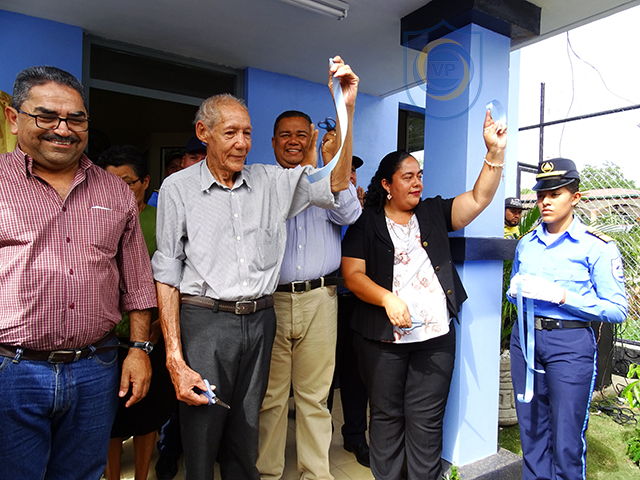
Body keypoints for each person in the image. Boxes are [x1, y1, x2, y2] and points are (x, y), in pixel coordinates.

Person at [152, 56, 358, 480]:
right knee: (203, 431)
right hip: (205, 322)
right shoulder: (177, 188)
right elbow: (167, 272)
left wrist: (346, 109)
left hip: (262, 318)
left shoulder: (270, 181)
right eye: (230, 133)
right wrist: (173, 355)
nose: (241, 143)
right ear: (203, 133)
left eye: (246, 133)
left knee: (246, 435)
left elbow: (336, 182)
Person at [0, 66, 155, 480]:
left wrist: (140, 350)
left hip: (95, 368)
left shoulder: (115, 190)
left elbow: (138, 281)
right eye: (47, 116)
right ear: (14, 119)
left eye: (76, 119)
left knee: (83, 474)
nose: (63, 129)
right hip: (12, 370)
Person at [341, 110, 507, 480]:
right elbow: (353, 276)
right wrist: (387, 298)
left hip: (435, 339)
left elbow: (478, 198)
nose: (417, 182)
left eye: (419, 175)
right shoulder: (366, 222)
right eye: (408, 177)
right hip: (382, 341)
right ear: (387, 184)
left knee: (426, 421)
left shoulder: (432, 212)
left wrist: (494, 153)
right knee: (386, 417)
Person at [507, 158, 627, 480]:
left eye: (555, 194)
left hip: (569, 343)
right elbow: (516, 291)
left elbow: (617, 309)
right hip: (526, 340)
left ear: (575, 197)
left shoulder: (596, 247)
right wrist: (514, 292)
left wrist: (562, 296)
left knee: (567, 438)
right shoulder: (526, 244)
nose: (545, 201)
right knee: (531, 431)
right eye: (541, 194)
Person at [257, 111, 361, 480]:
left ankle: (316, 473)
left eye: (302, 134)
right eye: (285, 134)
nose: (293, 141)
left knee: (315, 396)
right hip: (271, 301)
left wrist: (327, 169)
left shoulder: (330, 181)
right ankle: (268, 473)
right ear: (273, 142)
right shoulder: (263, 184)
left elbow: (350, 214)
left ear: (312, 140)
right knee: (270, 396)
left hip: (320, 299)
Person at [95, 145, 177, 480]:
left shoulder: (161, 222)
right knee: (109, 418)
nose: (120, 190)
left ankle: (142, 475)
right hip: (105, 339)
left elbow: (177, 276)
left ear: (145, 182)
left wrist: (161, 323)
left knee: (148, 414)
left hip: (151, 335)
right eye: (111, 182)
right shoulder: (94, 220)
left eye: (128, 182)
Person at [333, 154, 371, 467]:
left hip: (355, 303)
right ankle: (318, 438)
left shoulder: (366, 213)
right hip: (324, 299)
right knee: (319, 377)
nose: (351, 175)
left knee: (355, 373)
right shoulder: (323, 203)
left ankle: (355, 437)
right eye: (346, 169)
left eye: (354, 170)